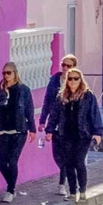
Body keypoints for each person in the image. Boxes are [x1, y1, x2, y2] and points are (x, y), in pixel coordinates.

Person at [46, 67, 103, 202]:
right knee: (68, 163)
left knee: (79, 162)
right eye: (70, 79)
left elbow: (94, 114)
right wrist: (49, 130)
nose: (72, 81)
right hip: (65, 135)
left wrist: (97, 132)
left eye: (75, 79)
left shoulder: (88, 96)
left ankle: (82, 190)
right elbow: (54, 115)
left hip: (83, 135)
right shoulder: (61, 97)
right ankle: (72, 192)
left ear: (80, 80)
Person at [0, 62, 36, 203]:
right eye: (4, 73)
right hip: (3, 131)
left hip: (19, 131)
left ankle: (10, 191)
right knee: (1, 163)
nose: (6, 75)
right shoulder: (0, 90)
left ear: (15, 73)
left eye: (8, 72)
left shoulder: (23, 90)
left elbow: (29, 111)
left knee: (12, 161)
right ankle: (12, 186)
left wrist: (32, 129)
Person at [42, 54, 80, 196]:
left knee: (66, 154)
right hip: (55, 122)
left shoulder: (77, 83)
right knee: (57, 155)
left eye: (68, 65)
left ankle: (62, 183)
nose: (65, 68)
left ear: (74, 67)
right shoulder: (54, 80)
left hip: (70, 125)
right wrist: (43, 120)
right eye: (63, 65)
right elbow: (47, 101)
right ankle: (68, 172)